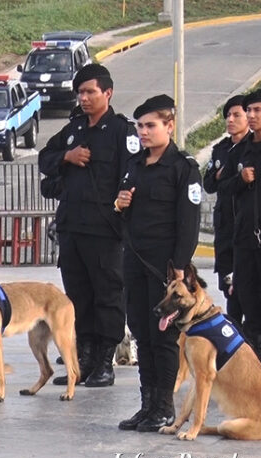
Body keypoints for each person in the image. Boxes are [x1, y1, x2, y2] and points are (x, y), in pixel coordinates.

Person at [38, 64, 138, 388]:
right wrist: (67, 156)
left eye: (90, 92)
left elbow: (133, 172)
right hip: (72, 228)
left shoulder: (123, 132)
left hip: (104, 229)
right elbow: (44, 158)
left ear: (107, 93)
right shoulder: (74, 130)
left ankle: (105, 360)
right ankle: (83, 357)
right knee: (78, 295)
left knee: (107, 295)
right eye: (80, 92)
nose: (84, 98)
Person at [115, 95, 201, 432]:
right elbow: (120, 219)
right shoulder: (135, 165)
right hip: (135, 264)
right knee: (141, 333)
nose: (144, 132)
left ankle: (165, 406)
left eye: (150, 125)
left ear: (169, 125)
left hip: (165, 269)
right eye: (140, 126)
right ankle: (147, 405)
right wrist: (119, 206)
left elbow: (189, 223)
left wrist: (179, 267)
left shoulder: (183, 168)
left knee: (163, 338)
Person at [203, 95, 249, 327]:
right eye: (228, 116)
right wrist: (219, 176)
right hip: (224, 230)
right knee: (229, 290)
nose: (230, 120)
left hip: (246, 226)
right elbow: (209, 184)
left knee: (247, 292)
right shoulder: (221, 149)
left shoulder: (251, 149)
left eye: (236, 115)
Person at [225, 90, 261, 359]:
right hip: (245, 239)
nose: (251, 116)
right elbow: (221, 186)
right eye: (249, 111)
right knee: (249, 305)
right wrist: (241, 179)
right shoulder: (242, 150)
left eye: (257, 110)